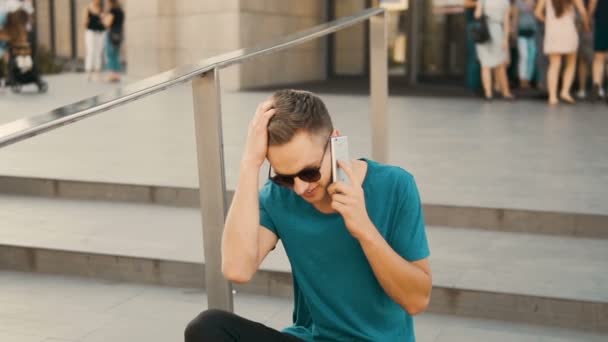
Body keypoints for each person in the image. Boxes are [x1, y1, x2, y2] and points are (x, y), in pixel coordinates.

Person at [184, 90, 432, 342]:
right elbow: (238, 270)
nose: (300, 188)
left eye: (309, 172)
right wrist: (250, 164)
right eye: (284, 177)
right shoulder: (279, 197)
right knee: (208, 327)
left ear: (336, 143)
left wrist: (365, 230)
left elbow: (417, 300)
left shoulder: (394, 186)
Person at [535, 0, 590, 105]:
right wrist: (586, 26)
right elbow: (583, 12)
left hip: (552, 31)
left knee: (554, 65)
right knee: (571, 64)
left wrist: (548, 21)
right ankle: (565, 92)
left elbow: (537, 12)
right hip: (569, 30)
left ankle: (552, 97)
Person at [475, 0, 515, 100]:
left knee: (485, 65)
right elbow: (506, 22)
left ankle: (488, 93)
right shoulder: (505, 2)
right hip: (498, 31)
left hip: (484, 32)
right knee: (500, 65)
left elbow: (477, 14)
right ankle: (506, 92)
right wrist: (505, 39)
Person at [515, 0, 538, 89]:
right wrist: (514, 31)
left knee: (532, 56)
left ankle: (528, 79)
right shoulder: (518, 2)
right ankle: (522, 79)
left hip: (532, 32)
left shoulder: (534, 2)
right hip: (521, 32)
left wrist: (534, 5)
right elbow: (516, 17)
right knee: (523, 56)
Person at [588, 0, 608, 102]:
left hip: (602, 21)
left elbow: (593, 2)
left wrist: (588, 18)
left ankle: (596, 86)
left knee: (599, 57)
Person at [82, 0, 105, 82]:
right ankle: (88, 72)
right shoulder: (88, 8)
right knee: (91, 51)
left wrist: (102, 18)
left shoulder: (101, 9)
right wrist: (87, 21)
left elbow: (104, 22)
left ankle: (97, 73)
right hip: (90, 33)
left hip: (100, 33)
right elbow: (84, 23)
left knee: (98, 52)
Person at [102, 0, 123, 82]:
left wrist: (103, 17)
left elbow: (107, 23)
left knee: (110, 54)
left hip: (111, 34)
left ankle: (111, 75)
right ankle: (117, 75)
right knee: (116, 55)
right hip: (119, 34)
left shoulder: (113, 10)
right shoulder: (121, 11)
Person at [464, 0, 482, 93]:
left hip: (483, 26)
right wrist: (480, 3)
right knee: (474, 56)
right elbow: (466, 3)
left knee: (481, 58)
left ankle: (479, 85)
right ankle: (472, 85)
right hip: (473, 26)